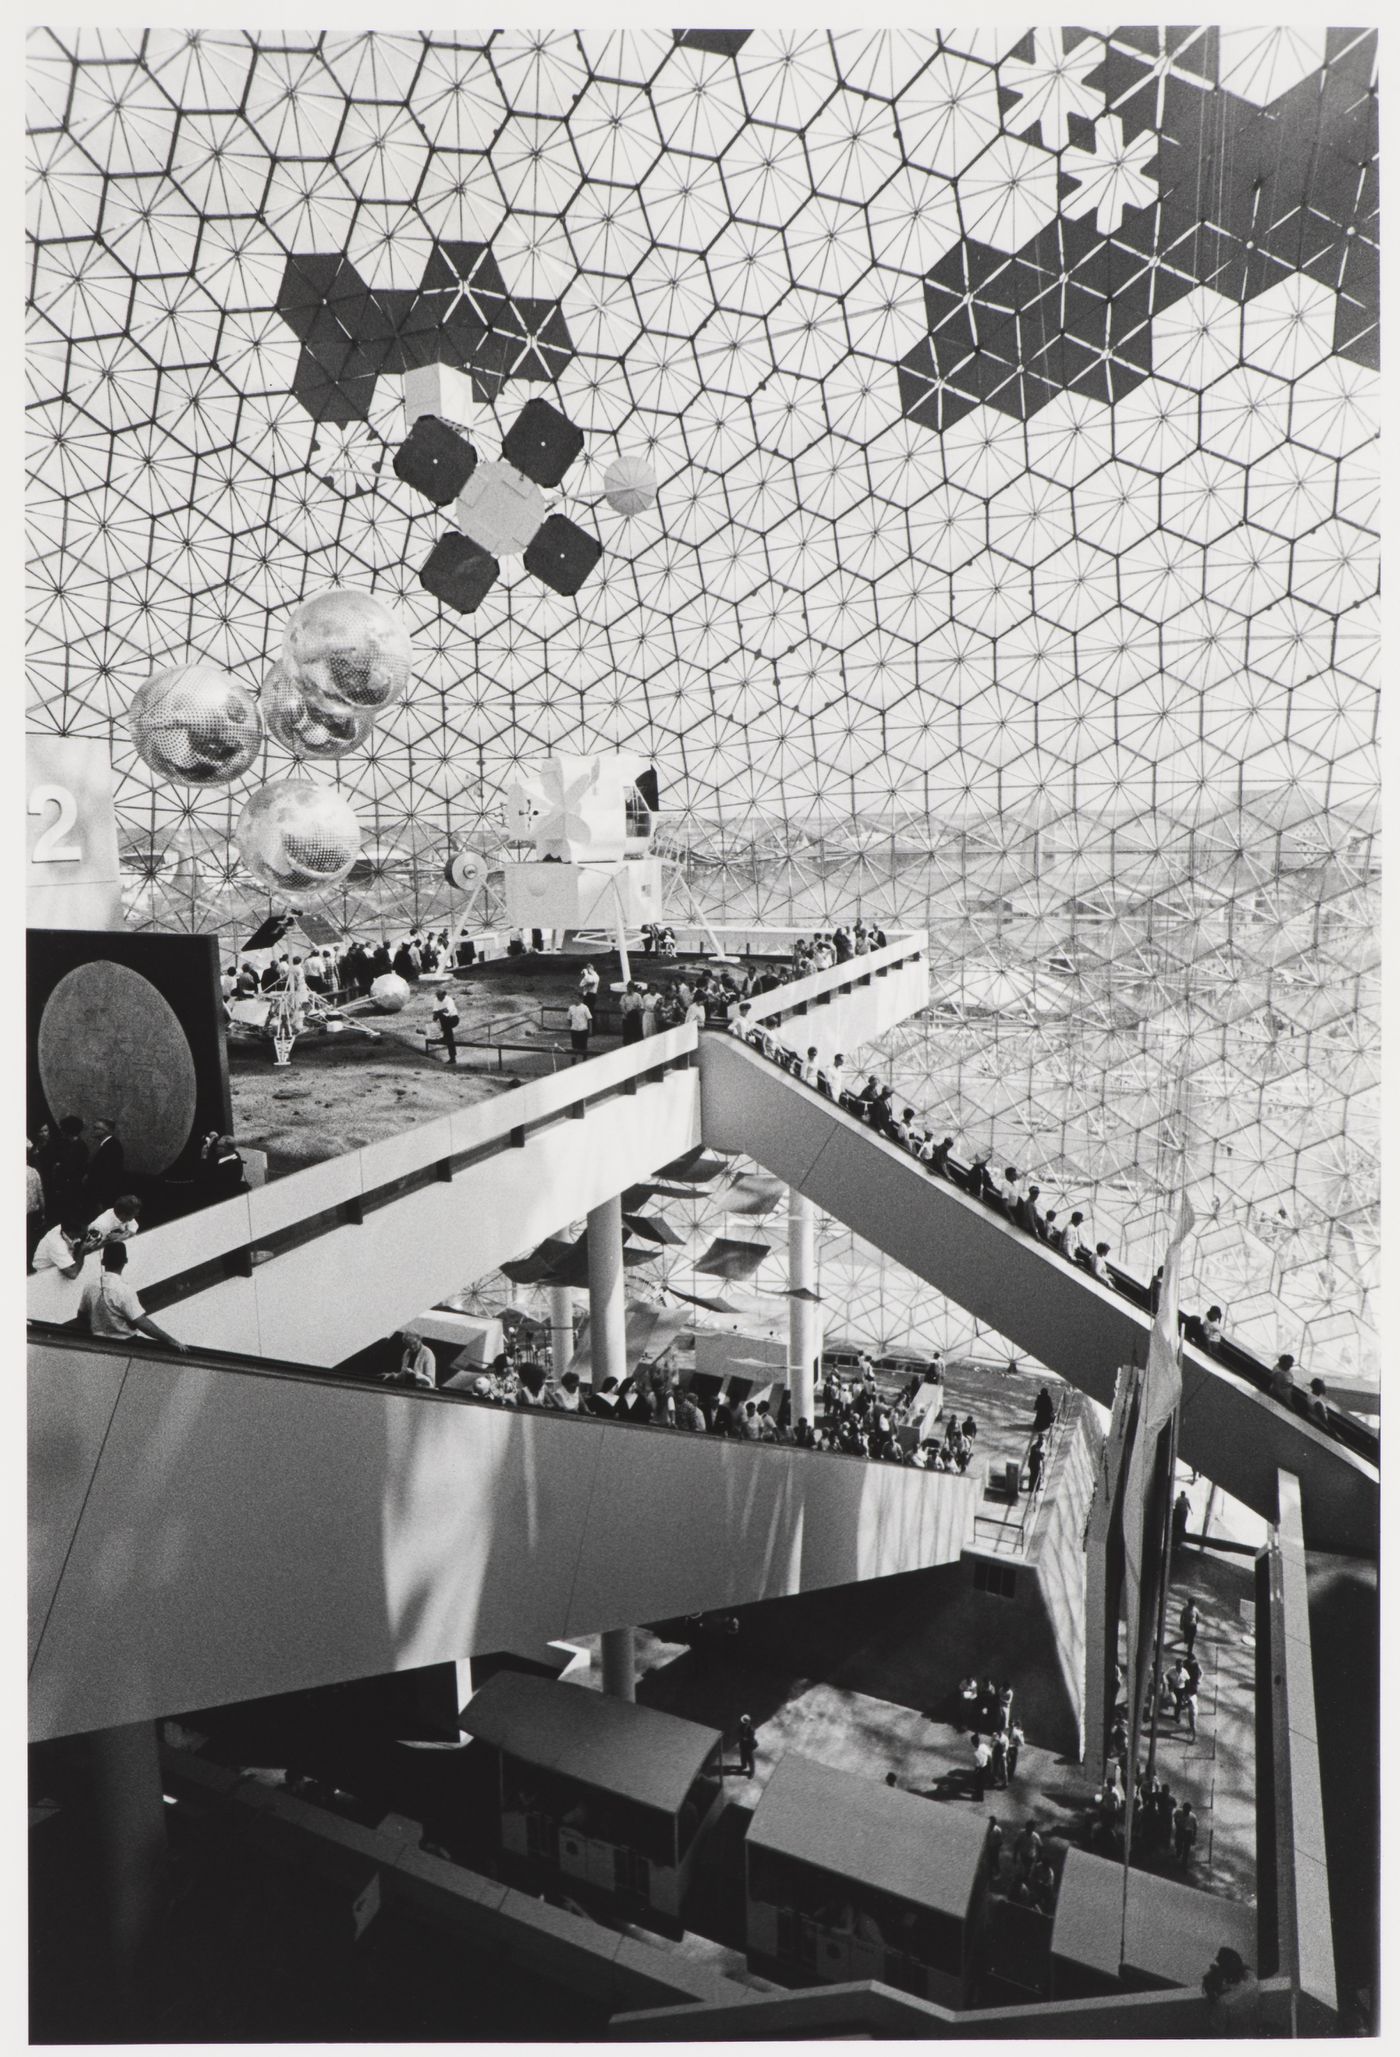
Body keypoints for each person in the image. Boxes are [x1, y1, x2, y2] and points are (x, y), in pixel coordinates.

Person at [79, 1243, 186, 1350]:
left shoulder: (89, 1286)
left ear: (103, 1262)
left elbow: (82, 1315)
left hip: (98, 1342)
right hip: (125, 1344)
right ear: (125, 1261)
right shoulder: (124, 1290)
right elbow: (142, 1323)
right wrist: (171, 1341)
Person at [32, 1213, 95, 1279]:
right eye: (83, 1234)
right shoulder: (56, 1244)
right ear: (71, 1233)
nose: (86, 1235)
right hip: (43, 1275)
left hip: (62, 1265)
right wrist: (82, 1250)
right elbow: (73, 1274)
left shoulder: (68, 1227)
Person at [83, 1117, 125, 1215]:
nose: (93, 1131)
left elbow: (107, 1174)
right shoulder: (109, 1145)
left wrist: (100, 1198)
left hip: (103, 1195)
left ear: (106, 1131)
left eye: (96, 1128)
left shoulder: (111, 1147)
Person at [26, 1145, 45, 1265]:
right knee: (31, 1242)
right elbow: (40, 1194)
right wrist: (43, 1214)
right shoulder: (33, 1172)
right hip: (32, 1214)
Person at [432, 985, 460, 1065]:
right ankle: (452, 1057)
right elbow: (435, 1011)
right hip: (444, 1021)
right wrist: (436, 1015)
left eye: (440, 995)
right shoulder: (435, 1000)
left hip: (453, 1019)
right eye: (437, 995)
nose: (438, 997)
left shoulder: (449, 1000)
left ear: (444, 994)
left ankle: (452, 1057)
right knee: (449, 1036)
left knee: (448, 1035)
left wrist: (438, 1013)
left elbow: (447, 1011)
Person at [566, 998, 592, 1063]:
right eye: (574, 998)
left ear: (580, 999)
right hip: (574, 1030)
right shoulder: (571, 1008)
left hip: (583, 1030)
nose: (575, 1000)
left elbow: (589, 1019)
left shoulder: (585, 1007)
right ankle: (573, 1063)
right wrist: (572, 1026)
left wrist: (590, 1030)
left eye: (576, 998)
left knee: (584, 1047)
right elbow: (569, 1019)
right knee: (574, 1047)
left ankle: (584, 1062)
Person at [971, 1732, 991, 1802]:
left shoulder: (976, 1753)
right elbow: (989, 1754)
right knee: (982, 1783)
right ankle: (980, 1796)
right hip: (986, 1766)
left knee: (978, 1783)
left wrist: (975, 1771)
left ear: (973, 1743)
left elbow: (978, 1764)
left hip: (980, 1769)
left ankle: (979, 1797)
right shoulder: (983, 1746)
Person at [737, 1714, 757, 1778]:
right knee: (743, 1756)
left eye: (746, 1722)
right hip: (743, 1744)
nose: (744, 1723)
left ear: (749, 1722)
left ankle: (752, 1772)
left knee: (750, 1759)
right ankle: (743, 1766)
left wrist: (746, 1738)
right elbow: (739, 1733)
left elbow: (751, 1738)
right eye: (743, 1722)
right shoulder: (741, 1726)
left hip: (749, 1745)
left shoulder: (751, 1729)